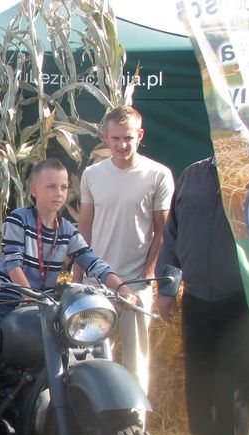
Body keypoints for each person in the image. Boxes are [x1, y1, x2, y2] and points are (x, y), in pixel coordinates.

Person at [0, 158, 138, 398]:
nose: (59, 193)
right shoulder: (19, 219)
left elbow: (92, 261)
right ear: (34, 190)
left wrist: (123, 289)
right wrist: (27, 295)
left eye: (64, 187)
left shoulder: (67, 230)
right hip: (4, 298)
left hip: (41, 305)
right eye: (51, 186)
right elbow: (13, 263)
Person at [156, 156, 249, 435]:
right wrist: (166, 287)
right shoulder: (192, 174)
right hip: (197, 297)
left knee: (233, 384)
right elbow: (172, 233)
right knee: (200, 379)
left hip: (242, 300)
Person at [77, 105, 174, 396]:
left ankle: (135, 425)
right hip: (96, 285)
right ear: (105, 137)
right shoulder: (91, 175)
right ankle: (94, 432)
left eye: (128, 138)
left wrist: (147, 274)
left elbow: (164, 231)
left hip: (135, 285)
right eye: (116, 138)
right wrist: (77, 278)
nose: (122, 145)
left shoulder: (158, 175)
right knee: (92, 360)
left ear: (140, 135)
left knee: (136, 364)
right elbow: (84, 230)